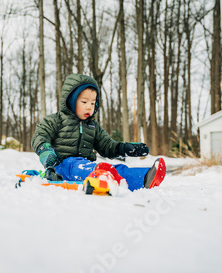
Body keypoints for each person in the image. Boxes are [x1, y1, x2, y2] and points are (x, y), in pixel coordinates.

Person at [31, 74, 165, 191]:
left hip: (87, 166)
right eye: (84, 101)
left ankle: (145, 177)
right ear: (71, 101)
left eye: (93, 102)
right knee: (87, 167)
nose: (89, 106)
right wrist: (46, 153)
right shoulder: (55, 120)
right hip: (61, 166)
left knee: (112, 168)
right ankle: (103, 176)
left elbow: (107, 146)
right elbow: (40, 136)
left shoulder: (93, 127)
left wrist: (125, 148)